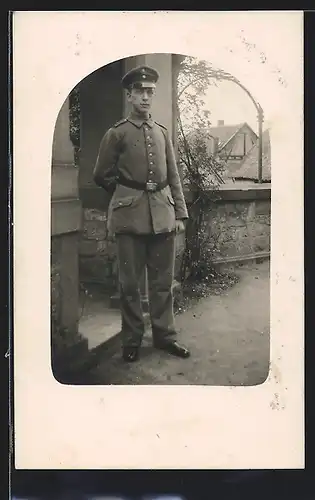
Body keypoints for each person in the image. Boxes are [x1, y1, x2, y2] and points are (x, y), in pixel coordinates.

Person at [93, 64, 190, 362]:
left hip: (163, 216)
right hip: (129, 219)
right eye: (140, 92)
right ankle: (132, 340)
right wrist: (127, 195)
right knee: (130, 285)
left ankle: (164, 337)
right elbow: (101, 174)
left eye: (150, 92)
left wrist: (180, 214)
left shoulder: (161, 133)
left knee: (162, 284)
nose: (146, 97)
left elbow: (173, 175)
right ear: (130, 95)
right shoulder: (116, 133)